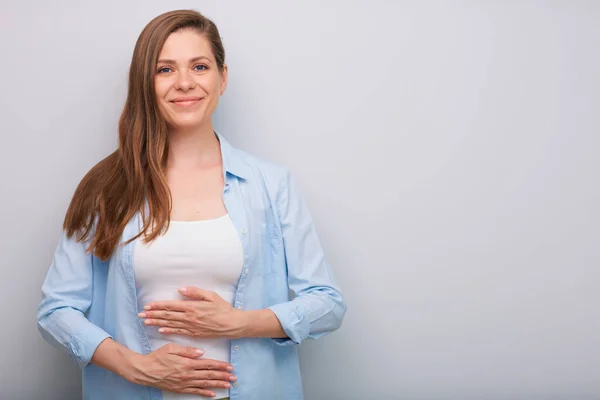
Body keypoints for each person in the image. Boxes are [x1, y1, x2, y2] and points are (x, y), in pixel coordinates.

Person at [36, 9, 346, 400]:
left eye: (199, 66)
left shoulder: (271, 184)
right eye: (165, 70)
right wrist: (137, 367)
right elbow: (56, 312)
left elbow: (327, 304)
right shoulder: (106, 187)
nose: (184, 83)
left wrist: (239, 323)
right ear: (145, 83)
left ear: (223, 78)